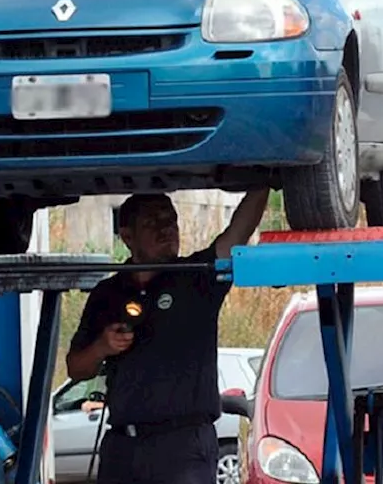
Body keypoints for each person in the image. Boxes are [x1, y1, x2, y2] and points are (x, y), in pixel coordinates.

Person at [65, 188, 270, 484]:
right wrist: (101, 347)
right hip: (124, 447)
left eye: (171, 221)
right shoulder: (106, 295)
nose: (166, 230)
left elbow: (237, 233)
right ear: (127, 236)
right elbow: (76, 368)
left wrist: (266, 178)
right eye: (152, 223)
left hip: (183, 446)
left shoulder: (198, 278)